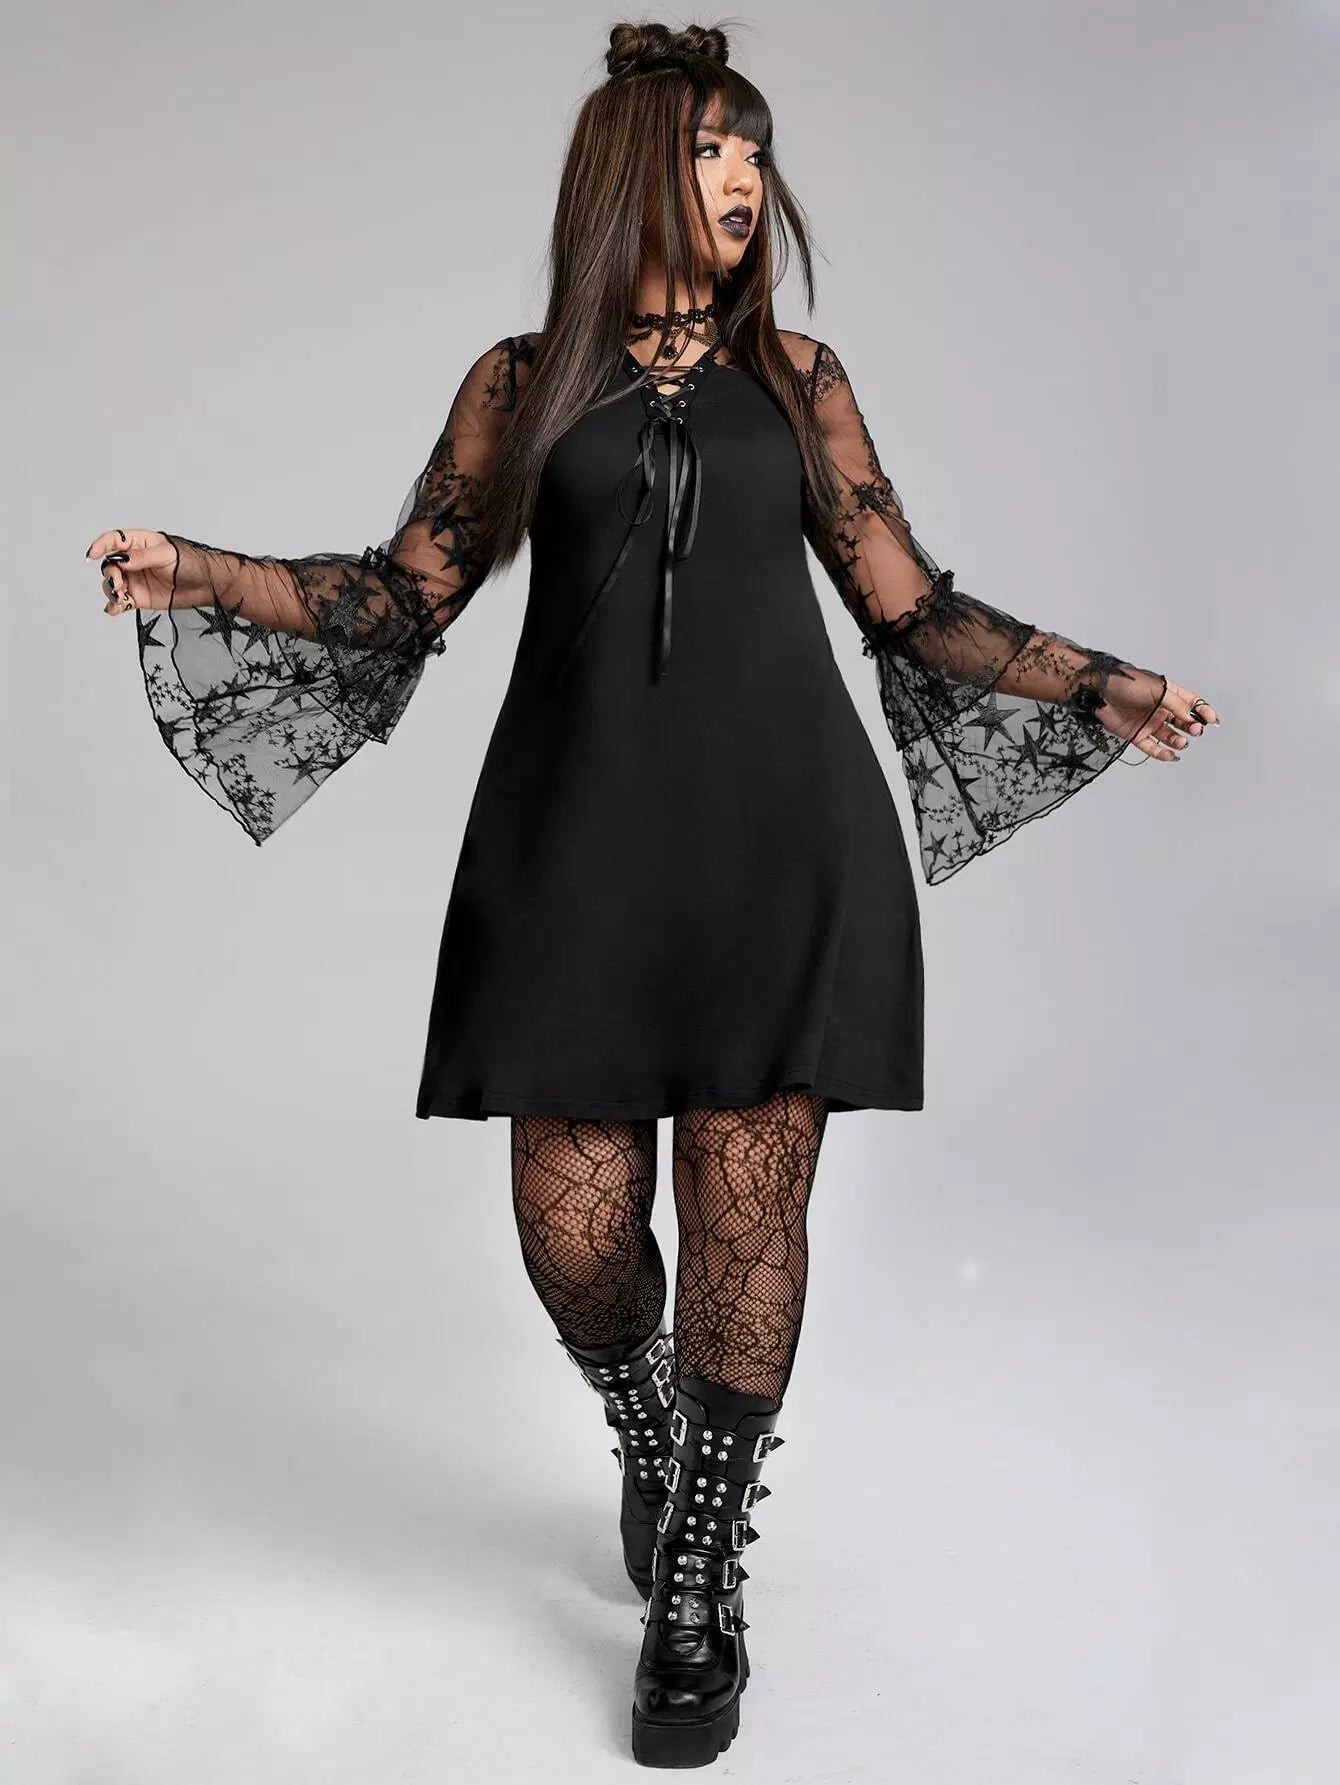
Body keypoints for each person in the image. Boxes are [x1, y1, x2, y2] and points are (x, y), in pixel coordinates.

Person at [85, 19, 1218, 1769]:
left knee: (750, 1222)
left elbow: (910, 607)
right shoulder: (524, 380)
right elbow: (403, 594)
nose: (744, 177)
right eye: (708, 148)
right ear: (628, 173)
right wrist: (199, 570)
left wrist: (1105, 684)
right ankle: (648, 1422)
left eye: (754, 147)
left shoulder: (803, 381)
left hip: (785, 842)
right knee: (575, 1234)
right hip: (575, 845)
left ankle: (699, 1570)